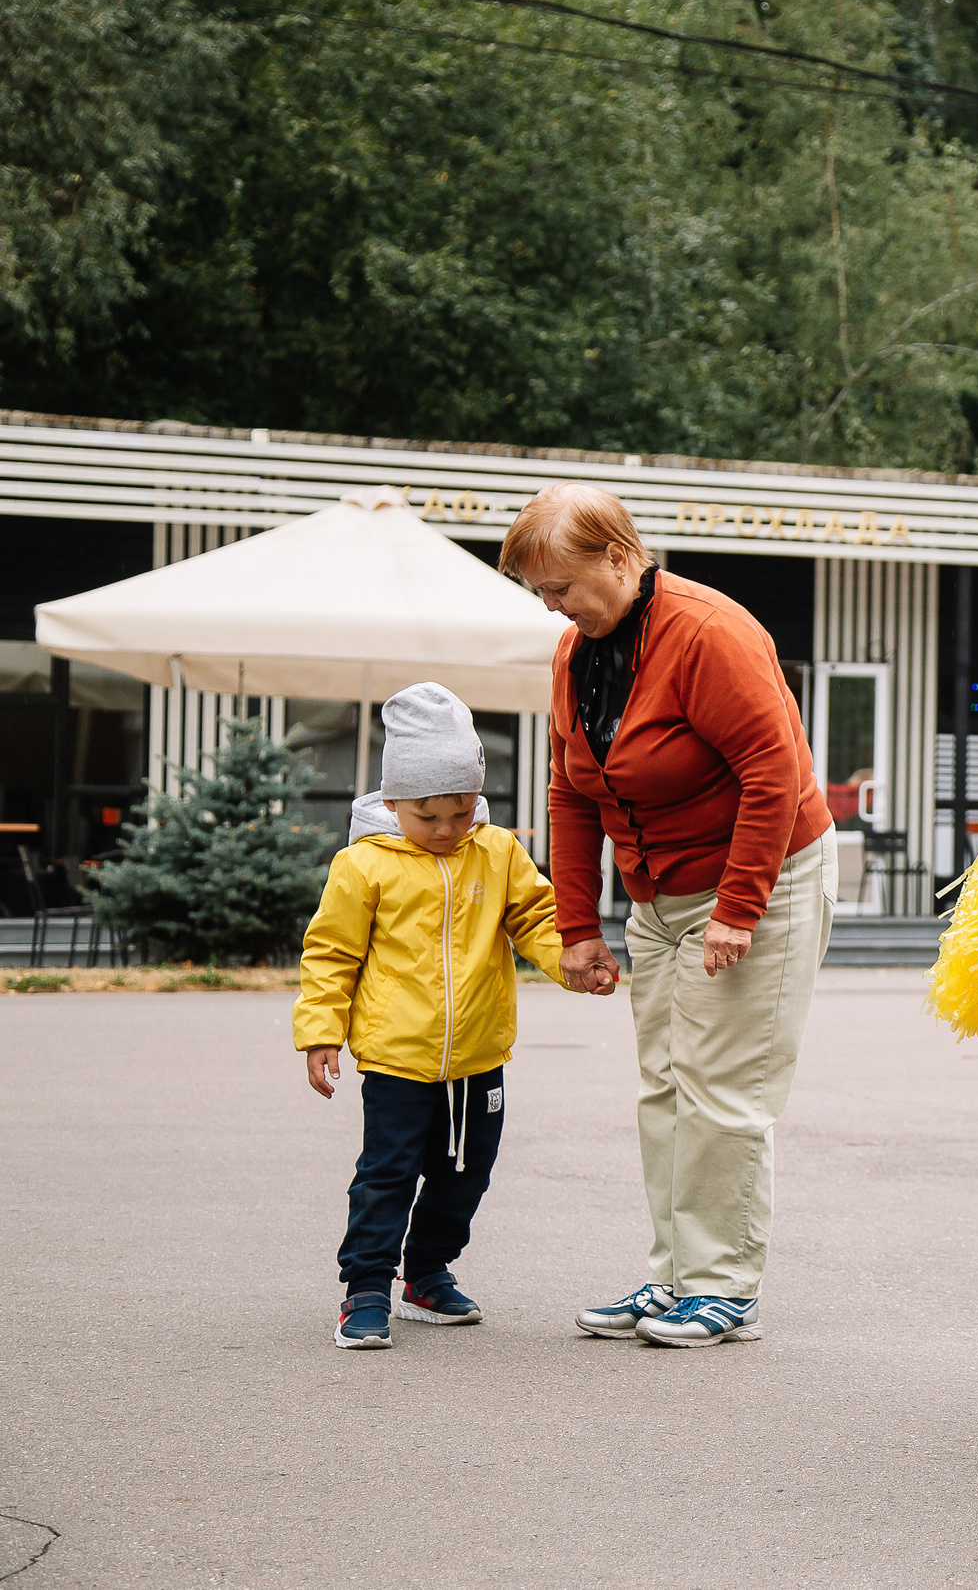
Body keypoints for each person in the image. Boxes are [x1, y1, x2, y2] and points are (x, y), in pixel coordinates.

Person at [501, 484, 837, 1350]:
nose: (552, 607)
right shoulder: (576, 652)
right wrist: (578, 925)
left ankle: (724, 1287)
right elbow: (570, 790)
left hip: (761, 876)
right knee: (664, 1085)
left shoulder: (709, 632)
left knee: (722, 1087)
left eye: (561, 586)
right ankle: (675, 1274)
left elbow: (773, 771)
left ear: (619, 556)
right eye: (540, 592)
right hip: (658, 893)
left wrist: (739, 907)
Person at [294, 681, 578, 1349]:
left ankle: (425, 1273)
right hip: (397, 1058)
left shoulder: (497, 851)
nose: (448, 828)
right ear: (393, 802)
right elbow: (331, 952)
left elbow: (536, 917)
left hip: (478, 1055)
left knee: (465, 1175)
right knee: (386, 1175)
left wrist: (571, 960)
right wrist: (320, 1032)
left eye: (461, 810)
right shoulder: (363, 865)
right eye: (428, 815)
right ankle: (366, 1287)